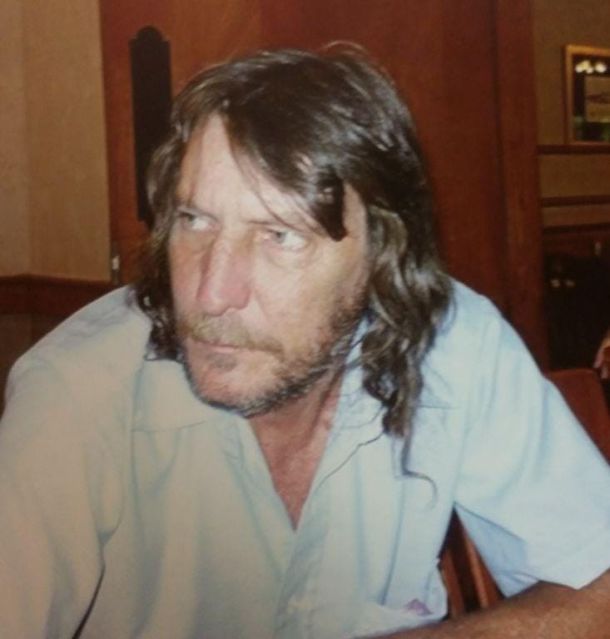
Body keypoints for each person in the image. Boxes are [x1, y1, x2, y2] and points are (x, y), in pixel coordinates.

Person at [1, 45, 610, 639]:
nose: (211, 293)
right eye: (195, 221)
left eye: (280, 236)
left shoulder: (451, 342)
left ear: (381, 255)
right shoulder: (76, 395)